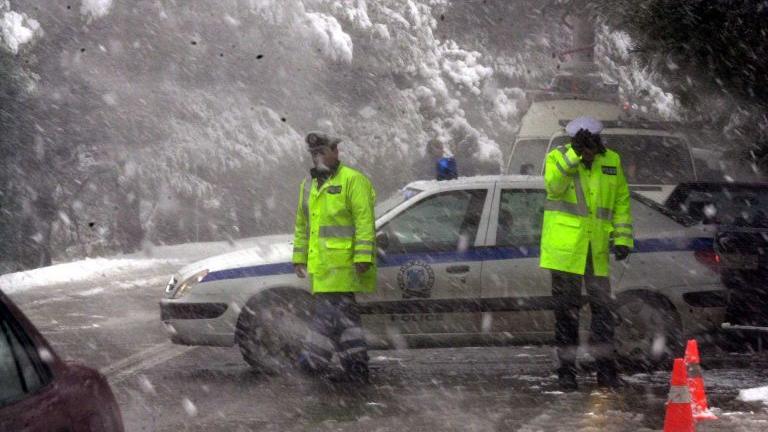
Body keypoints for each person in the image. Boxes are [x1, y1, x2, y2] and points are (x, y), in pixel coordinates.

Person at [539, 116, 634, 391]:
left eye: (593, 146)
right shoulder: (559, 158)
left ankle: (605, 370)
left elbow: (621, 202)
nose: (590, 152)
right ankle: (567, 372)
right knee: (567, 315)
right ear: (575, 143)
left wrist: (623, 238)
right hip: (566, 251)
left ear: (599, 143)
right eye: (585, 147)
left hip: (597, 250)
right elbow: (554, 186)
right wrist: (574, 155)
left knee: (603, 313)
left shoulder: (611, 161)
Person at [292, 132, 377, 382]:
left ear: (335, 152)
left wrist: (363, 257)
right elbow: (302, 224)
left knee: (327, 317)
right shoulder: (307, 185)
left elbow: (364, 222)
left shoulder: (353, 181)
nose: (317, 156)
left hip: (344, 267)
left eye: (322, 151)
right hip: (321, 269)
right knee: (344, 321)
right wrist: (299, 257)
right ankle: (356, 366)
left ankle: (313, 362)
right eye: (314, 153)